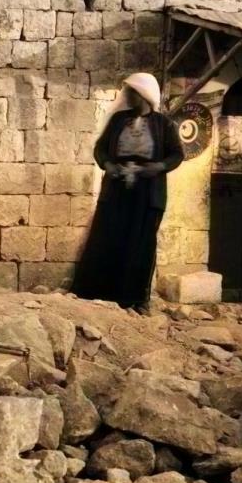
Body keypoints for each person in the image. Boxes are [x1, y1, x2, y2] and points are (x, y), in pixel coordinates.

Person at [71, 72, 185, 311]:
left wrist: (158, 167)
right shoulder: (118, 120)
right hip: (117, 189)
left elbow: (177, 154)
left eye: (132, 92)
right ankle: (98, 294)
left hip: (147, 192)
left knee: (140, 243)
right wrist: (108, 165)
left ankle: (135, 298)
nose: (128, 97)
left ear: (143, 95)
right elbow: (100, 149)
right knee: (109, 238)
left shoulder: (163, 124)